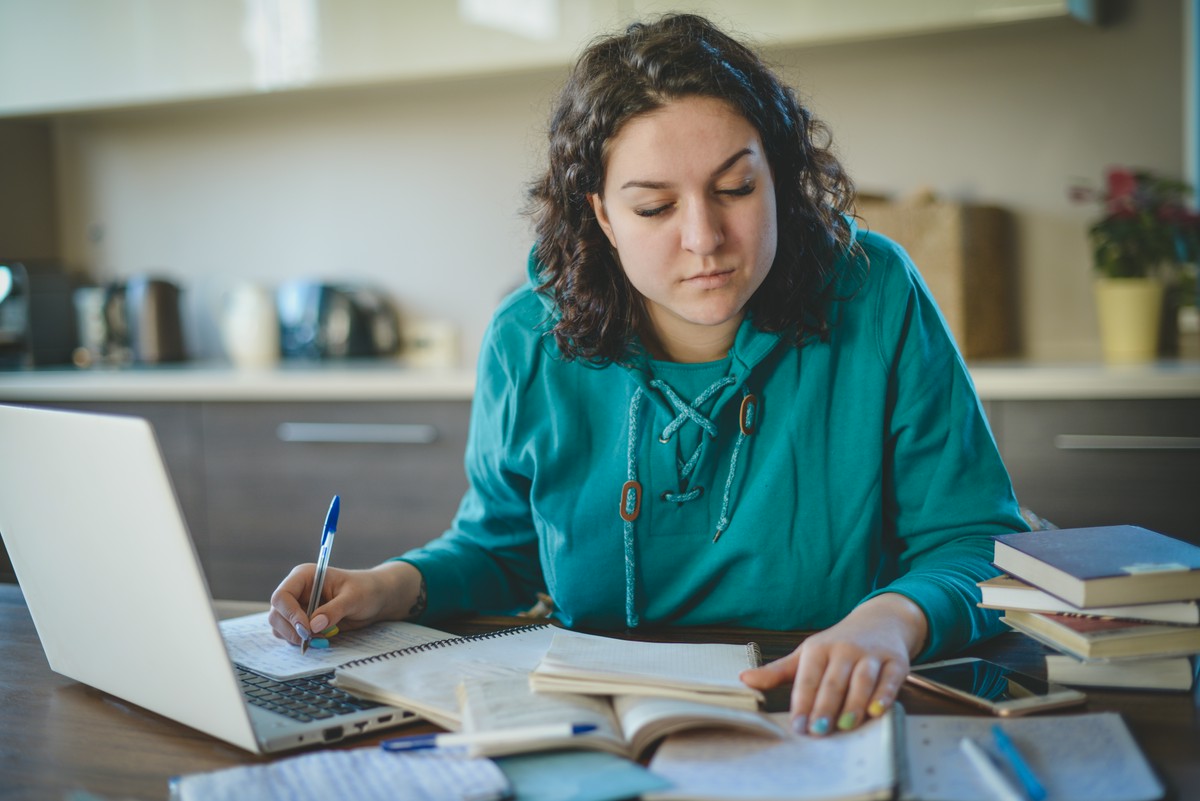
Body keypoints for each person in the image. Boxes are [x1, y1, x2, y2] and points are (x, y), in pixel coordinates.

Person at [269, 13, 1027, 737]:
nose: (706, 239)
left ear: (780, 176)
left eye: (736, 189)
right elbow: (503, 547)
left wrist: (887, 622)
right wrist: (388, 585)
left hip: (818, 705)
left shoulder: (876, 291)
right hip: (595, 710)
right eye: (655, 206)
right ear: (602, 216)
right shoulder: (526, 337)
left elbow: (976, 539)